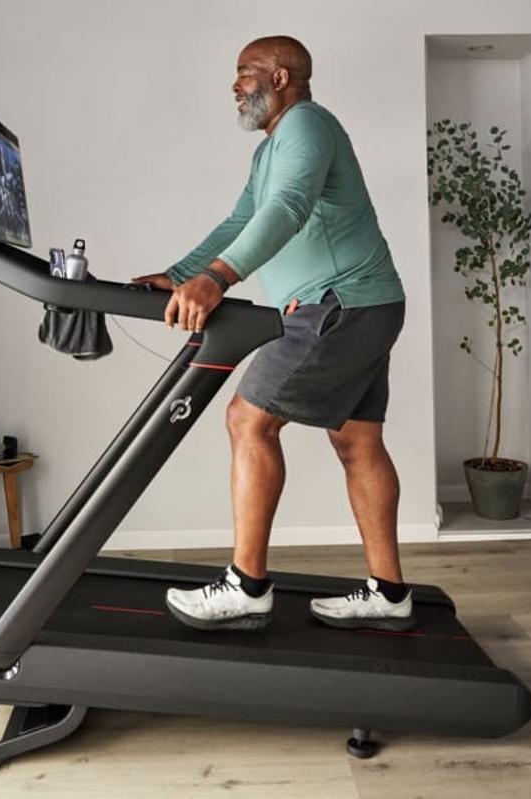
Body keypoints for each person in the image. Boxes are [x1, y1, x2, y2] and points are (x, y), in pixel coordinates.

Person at [132, 35, 413, 632]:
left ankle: (246, 586)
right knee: (357, 442)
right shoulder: (272, 148)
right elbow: (243, 219)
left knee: (247, 419)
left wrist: (217, 279)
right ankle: (389, 594)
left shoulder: (307, 125)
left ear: (280, 77)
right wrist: (184, 275)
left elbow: (286, 207)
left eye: (244, 73)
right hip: (364, 304)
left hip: (336, 305)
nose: (234, 86)